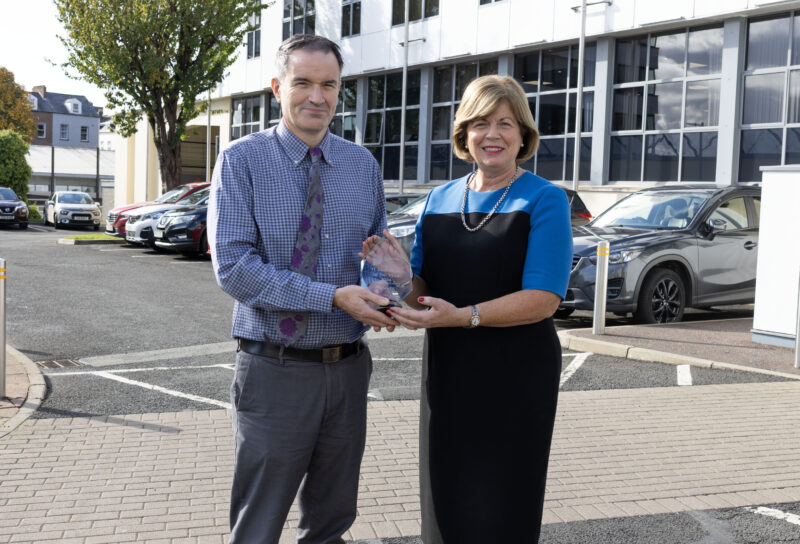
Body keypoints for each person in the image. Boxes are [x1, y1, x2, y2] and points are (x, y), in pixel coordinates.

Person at [365, 75, 573, 543]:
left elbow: (543, 300)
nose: (492, 134)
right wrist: (399, 276)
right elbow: (422, 293)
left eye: (505, 123)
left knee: (503, 507)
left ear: (523, 134)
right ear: (464, 134)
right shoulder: (439, 200)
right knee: (445, 504)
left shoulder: (543, 199)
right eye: (480, 123)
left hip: (517, 377)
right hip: (450, 371)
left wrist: (462, 316)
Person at [208, 34, 397, 544]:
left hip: (349, 370)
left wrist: (393, 285)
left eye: (329, 85)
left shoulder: (363, 166)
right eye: (303, 83)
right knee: (258, 524)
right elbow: (234, 269)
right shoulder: (241, 160)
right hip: (275, 370)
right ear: (277, 87)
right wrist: (331, 296)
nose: (317, 96)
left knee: (332, 522)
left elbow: (376, 265)